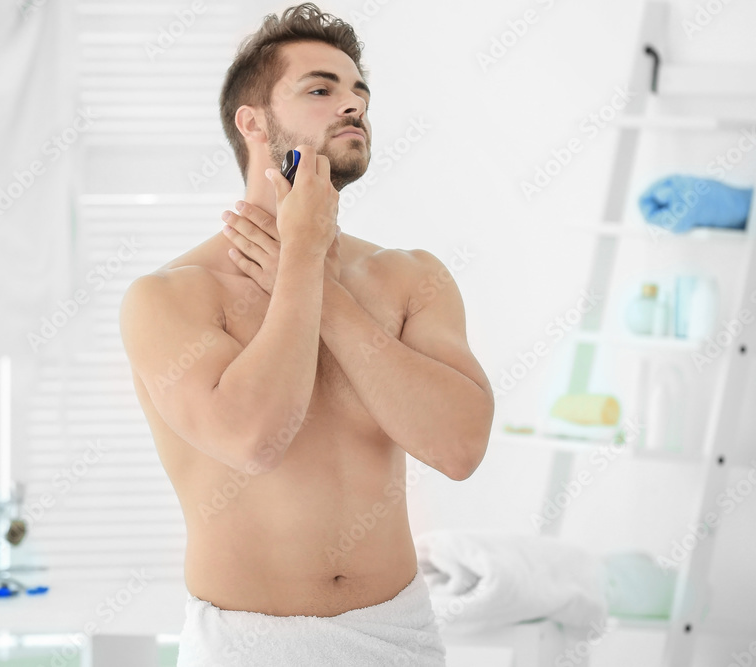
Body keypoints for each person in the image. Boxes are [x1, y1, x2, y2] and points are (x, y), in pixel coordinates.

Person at [119, 4, 494, 664]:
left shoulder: (411, 277)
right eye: (320, 89)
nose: (352, 105)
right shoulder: (169, 296)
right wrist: (299, 257)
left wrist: (324, 285)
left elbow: (460, 446)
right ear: (253, 122)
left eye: (359, 93)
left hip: (398, 635)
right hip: (246, 646)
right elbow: (253, 439)